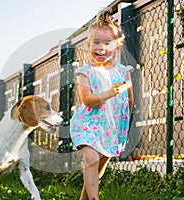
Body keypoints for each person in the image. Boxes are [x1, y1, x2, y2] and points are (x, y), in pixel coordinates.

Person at [70, 7, 134, 200]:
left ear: (116, 47)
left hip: (112, 127)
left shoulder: (124, 72)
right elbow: (87, 99)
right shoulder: (85, 72)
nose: (101, 47)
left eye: (107, 43)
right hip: (89, 124)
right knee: (90, 158)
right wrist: (108, 93)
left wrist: (122, 126)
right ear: (89, 45)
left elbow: (129, 100)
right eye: (96, 42)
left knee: (97, 169)